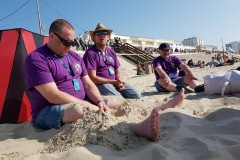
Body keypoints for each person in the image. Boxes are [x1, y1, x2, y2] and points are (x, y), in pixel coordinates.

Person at [24, 19, 164, 142]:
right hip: (47, 110)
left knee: (116, 100)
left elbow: (88, 83)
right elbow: (52, 95)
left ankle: (158, 108)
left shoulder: (74, 56)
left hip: (81, 100)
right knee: (80, 111)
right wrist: (87, 104)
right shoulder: (37, 59)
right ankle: (135, 129)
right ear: (52, 36)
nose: (69, 46)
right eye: (66, 42)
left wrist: (98, 101)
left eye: (72, 42)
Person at [83, 23, 141, 99]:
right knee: (119, 99)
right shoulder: (90, 53)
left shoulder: (111, 52)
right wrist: (113, 82)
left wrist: (119, 80)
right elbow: (92, 78)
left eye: (104, 33)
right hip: (100, 83)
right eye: (98, 33)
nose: (102, 36)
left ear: (108, 37)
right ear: (94, 37)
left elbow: (118, 70)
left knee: (136, 95)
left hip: (114, 81)